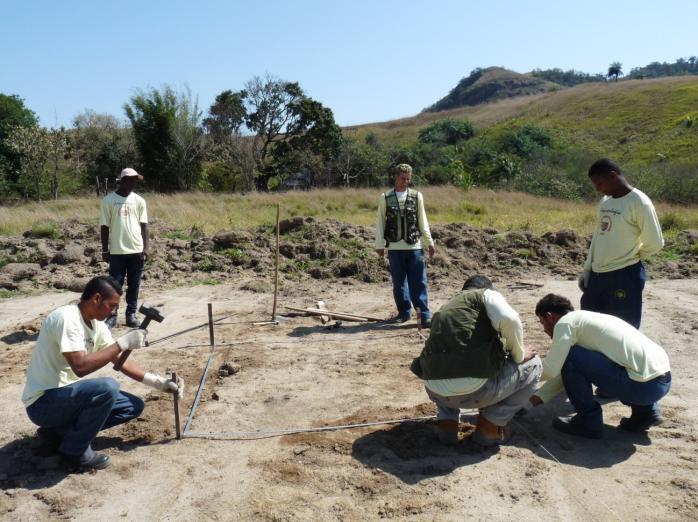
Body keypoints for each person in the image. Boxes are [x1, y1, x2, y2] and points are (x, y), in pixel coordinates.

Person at [22, 275, 184, 471]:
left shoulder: (97, 326)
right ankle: (74, 453)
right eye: (112, 306)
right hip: (43, 403)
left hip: (65, 398)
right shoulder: (67, 318)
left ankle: (57, 433)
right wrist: (122, 343)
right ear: (97, 299)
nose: (114, 311)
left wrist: (159, 383)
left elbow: (120, 362)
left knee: (132, 406)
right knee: (108, 387)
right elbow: (80, 367)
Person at [410, 275, 542, 446]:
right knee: (534, 364)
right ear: (488, 289)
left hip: (436, 391)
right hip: (477, 392)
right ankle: (490, 428)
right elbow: (510, 319)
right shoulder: (486, 295)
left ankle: (446, 426)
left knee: (447, 363)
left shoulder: (447, 307)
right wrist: (519, 354)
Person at [530, 294, 671, 440]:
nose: (544, 330)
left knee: (571, 356)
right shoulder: (589, 320)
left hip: (642, 388)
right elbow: (568, 371)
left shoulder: (564, 324)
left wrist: (520, 378)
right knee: (626, 362)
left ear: (549, 316)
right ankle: (646, 413)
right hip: (662, 383)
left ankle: (588, 422)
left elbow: (552, 369)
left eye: (542, 323)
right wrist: (538, 397)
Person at [579, 158, 663, 329]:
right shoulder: (605, 201)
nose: (597, 189)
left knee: (623, 329)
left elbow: (655, 242)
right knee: (591, 326)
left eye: (600, 184)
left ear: (612, 176)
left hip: (624, 276)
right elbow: (598, 236)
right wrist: (588, 269)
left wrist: (632, 256)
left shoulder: (639, 202)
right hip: (598, 275)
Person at [375, 163, 436, 327]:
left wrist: (429, 242)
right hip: (395, 248)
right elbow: (380, 222)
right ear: (396, 177)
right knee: (399, 283)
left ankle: (424, 315)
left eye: (408, 179)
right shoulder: (385, 197)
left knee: (419, 282)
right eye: (403, 178)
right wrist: (379, 245)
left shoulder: (417, 196)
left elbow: (423, 220)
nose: (406, 182)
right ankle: (404, 313)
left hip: (415, 247)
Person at [100, 167, 149, 328]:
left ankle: (131, 315)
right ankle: (112, 315)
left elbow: (144, 226)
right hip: (117, 251)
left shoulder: (139, 201)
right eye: (131, 180)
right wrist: (105, 249)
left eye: (136, 180)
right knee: (115, 286)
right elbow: (104, 226)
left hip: (136, 250)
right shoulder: (108, 200)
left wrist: (146, 249)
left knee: (134, 285)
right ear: (123, 181)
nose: (134, 183)